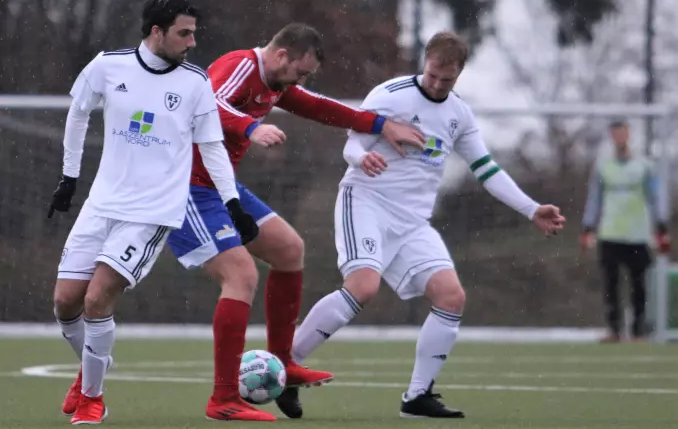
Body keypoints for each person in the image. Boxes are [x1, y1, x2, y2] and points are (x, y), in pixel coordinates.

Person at [289, 31, 567, 418]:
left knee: (451, 297)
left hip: (413, 223)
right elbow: (352, 144)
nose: (436, 84)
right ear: (425, 62)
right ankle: (287, 365)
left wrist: (531, 209)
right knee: (363, 287)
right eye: (433, 74)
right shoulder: (391, 95)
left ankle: (417, 396)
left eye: (446, 79)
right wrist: (361, 159)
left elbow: (486, 169)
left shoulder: (459, 115)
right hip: (366, 202)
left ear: (459, 74)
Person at [166, 22, 426, 421]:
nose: (300, 82)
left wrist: (379, 124)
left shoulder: (276, 82)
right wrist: (251, 127)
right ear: (282, 55)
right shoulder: (241, 66)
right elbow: (208, 105)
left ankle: (283, 362)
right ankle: (223, 398)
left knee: (289, 249)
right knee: (241, 276)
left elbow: (319, 107)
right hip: (186, 188)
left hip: (220, 187)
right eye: (300, 72)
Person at [49, 0, 258, 425]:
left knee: (97, 298)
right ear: (157, 32)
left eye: (194, 33)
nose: (192, 42)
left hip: (153, 211)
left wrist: (233, 203)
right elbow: (78, 113)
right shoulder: (108, 65)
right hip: (102, 203)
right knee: (65, 302)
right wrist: (69, 176)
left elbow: (212, 147)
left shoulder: (195, 82)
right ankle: (93, 366)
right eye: (184, 33)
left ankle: (92, 398)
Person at [580, 120, 670, 342]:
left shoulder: (645, 166)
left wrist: (661, 227)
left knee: (639, 284)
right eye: (615, 134)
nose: (619, 138)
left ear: (628, 135)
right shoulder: (603, 166)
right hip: (610, 232)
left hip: (638, 233)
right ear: (612, 137)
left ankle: (638, 331)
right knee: (610, 283)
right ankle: (614, 329)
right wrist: (587, 227)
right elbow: (594, 198)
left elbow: (654, 197)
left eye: (623, 133)